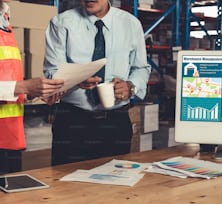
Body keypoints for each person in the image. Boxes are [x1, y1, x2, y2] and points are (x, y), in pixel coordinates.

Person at [43, 0, 151, 165]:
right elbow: (52, 72)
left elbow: (141, 68)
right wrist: (76, 79)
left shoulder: (130, 24)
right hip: (72, 121)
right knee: (64, 185)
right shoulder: (61, 23)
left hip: (116, 122)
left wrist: (130, 86)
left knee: (113, 184)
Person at [0, 0, 64, 174]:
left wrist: (34, 92)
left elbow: (7, 77)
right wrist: (24, 87)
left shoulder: (4, 16)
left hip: (9, 136)